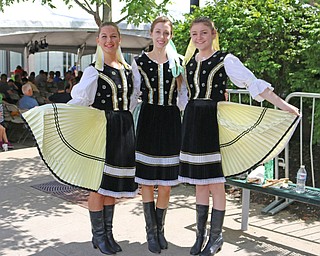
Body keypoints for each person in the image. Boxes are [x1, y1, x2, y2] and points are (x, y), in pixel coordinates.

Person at [178, 17, 300, 256]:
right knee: (200, 183)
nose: (199, 38)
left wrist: (283, 105)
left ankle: (216, 237)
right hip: (193, 120)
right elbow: (184, 95)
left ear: (213, 34)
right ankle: (200, 236)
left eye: (204, 33)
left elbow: (251, 83)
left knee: (215, 181)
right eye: (194, 34)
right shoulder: (189, 63)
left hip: (212, 121)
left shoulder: (226, 60)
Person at [67, 21, 138, 255]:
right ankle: (99, 236)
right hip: (103, 130)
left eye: (113, 36)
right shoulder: (93, 70)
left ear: (119, 40)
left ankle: (108, 233)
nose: (109, 41)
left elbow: (133, 99)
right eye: (104, 36)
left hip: (123, 128)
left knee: (113, 185)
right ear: (98, 41)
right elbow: (80, 101)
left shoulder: (128, 69)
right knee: (98, 186)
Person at [130, 16, 187, 254]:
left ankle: (160, 229)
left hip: (171, 120)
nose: (162, 37)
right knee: (146, 181)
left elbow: (183, 96)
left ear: (171, 36)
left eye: (166, 33)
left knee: (166, 183)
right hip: (149, 119)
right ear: (151, 34)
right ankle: (150, 232)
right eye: (158, 32)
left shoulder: (179, 62)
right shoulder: (139, 61)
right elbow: (133, 94)